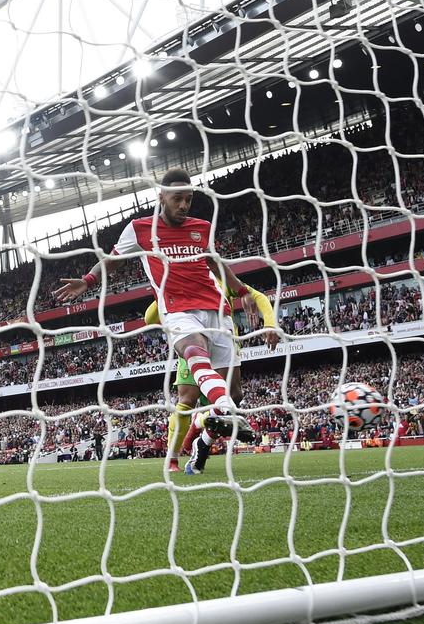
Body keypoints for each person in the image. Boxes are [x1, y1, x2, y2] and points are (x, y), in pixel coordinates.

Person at [57, 168, 263, 471]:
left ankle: (203, 441)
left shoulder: (202, 227)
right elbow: (112, 261)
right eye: (177, 198)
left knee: (235, 393)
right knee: (193, 351)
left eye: (188, 199)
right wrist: (88, 281)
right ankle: (222, 412)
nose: (184, 205)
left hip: (216, 309)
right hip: (177, 309)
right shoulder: (140, 229)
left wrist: (243, 292)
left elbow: (215, 264)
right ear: (161, 197)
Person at [143, 281, 279, 474]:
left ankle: (202, 438)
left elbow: (258, 296)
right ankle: (172, 459)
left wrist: (270, 324)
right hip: (193, 343)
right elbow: (149, 318)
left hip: (223, 340)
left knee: (233, 397)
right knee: (187, 401)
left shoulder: (221, 278)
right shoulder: (178, 280)